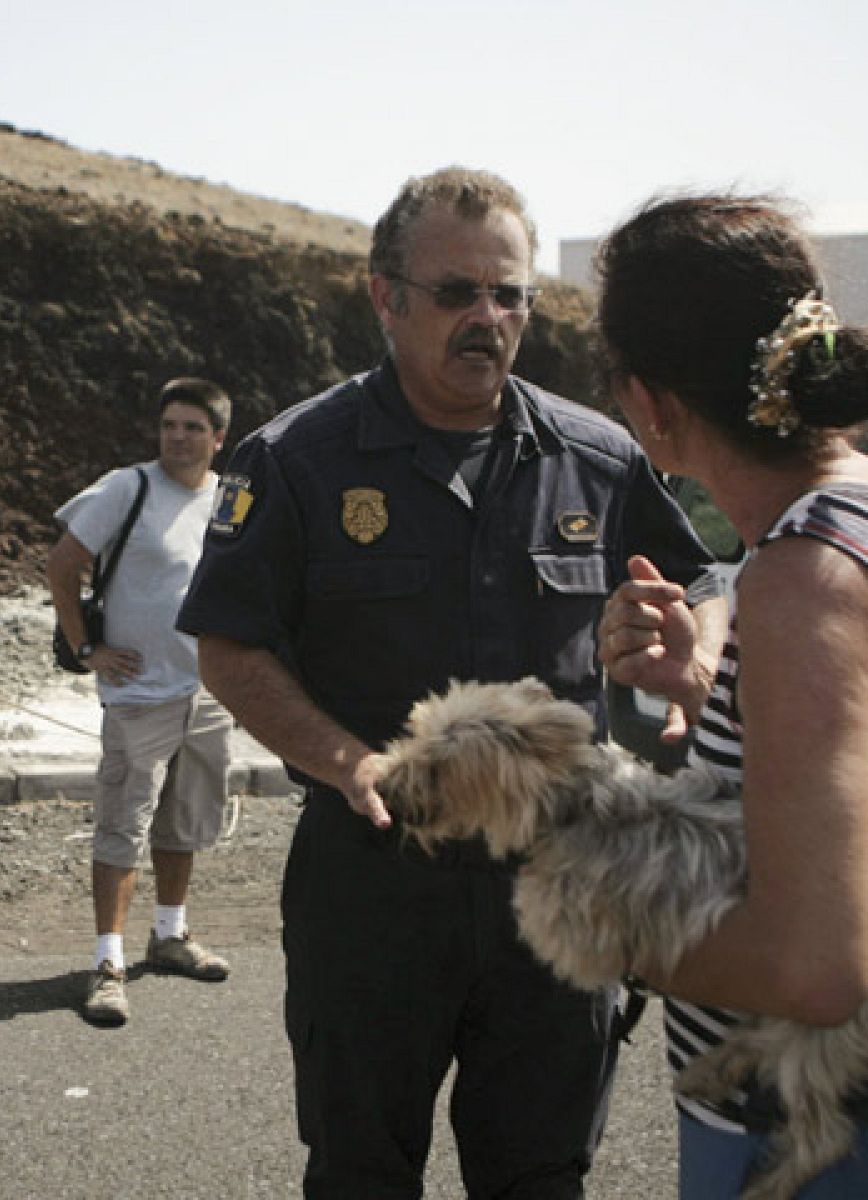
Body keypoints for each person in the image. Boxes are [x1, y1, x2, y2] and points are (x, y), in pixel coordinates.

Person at [177, 166, 726, 1197]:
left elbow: (700, 581)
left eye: (508, 293)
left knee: (539, 1173)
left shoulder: (595, 458)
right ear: (383, 295)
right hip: (374, 882)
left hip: (553, 882)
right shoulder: (297, 459)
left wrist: (689, 643)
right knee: (361, 1172)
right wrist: (350, 762)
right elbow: (230, 646)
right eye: (456, 293)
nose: (487, 318)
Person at [595, 194, 868, 1197]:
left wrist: (594, 927)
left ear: (650, 408)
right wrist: (711, 694)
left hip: (829, 1141)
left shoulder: (803, 581)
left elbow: (813, 968)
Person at [47, 378, 237, 1026]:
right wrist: (84, 650)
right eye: (169, 425)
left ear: (219, 438)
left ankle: (171, 934)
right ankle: (108, 963)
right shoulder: (127, 487)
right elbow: (63, 561)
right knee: (122, 826)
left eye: (192, 427)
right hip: (137, 694)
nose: (177, 437)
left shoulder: (230, 500)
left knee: (185, 820)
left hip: (206, 692)